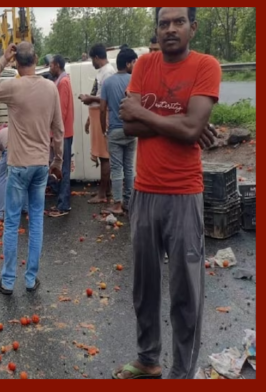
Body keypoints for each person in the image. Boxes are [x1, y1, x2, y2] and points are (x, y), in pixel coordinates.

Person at [112, 7, 220, 380]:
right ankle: (148, 359)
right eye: (163, 23)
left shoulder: (206, 66)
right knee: (145, 287)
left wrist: (155, 118)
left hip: (183, 193)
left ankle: (182, 372)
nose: (170, 29)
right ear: (156, 29)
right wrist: (181, 124)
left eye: (178, 22)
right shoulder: (144, 64)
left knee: (186, 292)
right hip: (144, 192)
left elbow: (192, 130)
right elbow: (127, 125)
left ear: (193, 26)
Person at [0, 42, 63, 296]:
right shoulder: (51, 88)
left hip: (18, 164)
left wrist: (2, 61)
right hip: (41, 165)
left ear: (17, 63)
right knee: (37, 221)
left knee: (11, 222)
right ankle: (30, 280)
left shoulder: (14, 86)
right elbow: (58, 130)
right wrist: (58, 160)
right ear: (37, 59)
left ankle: (7, 282)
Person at [99, 48, 138, 216]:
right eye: (134, 62)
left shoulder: (108, 82)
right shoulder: (134, 81)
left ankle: (117, 204)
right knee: (129, 167)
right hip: (131, 130)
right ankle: (129, 203)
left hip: (114, 130)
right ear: (128, 63)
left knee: (116, 168)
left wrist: (103, 130)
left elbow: (102, 109)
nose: (135, 65)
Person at [79, 43, 115, 205]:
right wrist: (88, 119)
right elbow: (98, 95)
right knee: (101, 155)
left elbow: (105, 99)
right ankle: (106, 190)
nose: (91, 62)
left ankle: (103, 194)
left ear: (97, 58)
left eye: (92, 59)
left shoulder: (109, 73)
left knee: (104, 156)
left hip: (103, 116)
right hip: (96, 115)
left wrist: (89, 99)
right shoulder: (102, 73)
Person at [47, 54, 75, 217]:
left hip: (62, 134)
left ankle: (63, 205)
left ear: (57, 65)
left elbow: (61, 112)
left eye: (51, 65)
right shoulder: (61, 80)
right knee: (57, 168)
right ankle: (62, 200)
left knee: (62, 169)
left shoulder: (63, 82)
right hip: (63, 133)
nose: (50, 68)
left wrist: (54, 136)